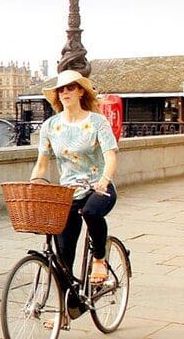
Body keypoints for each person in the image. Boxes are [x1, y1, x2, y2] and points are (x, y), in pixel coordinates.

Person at [30, 69, 118, 286]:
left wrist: (104, 180)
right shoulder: (50, 126)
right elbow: (41, 164)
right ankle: (67, 311)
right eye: (61, 89)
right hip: (69, 191)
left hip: (98, 187)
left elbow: (111, 157)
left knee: (91, 212)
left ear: (80, 92)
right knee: (63, 257)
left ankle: (99, 258)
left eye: (70, 87)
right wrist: (33, 186)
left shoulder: (97, 122)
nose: (65, 92)